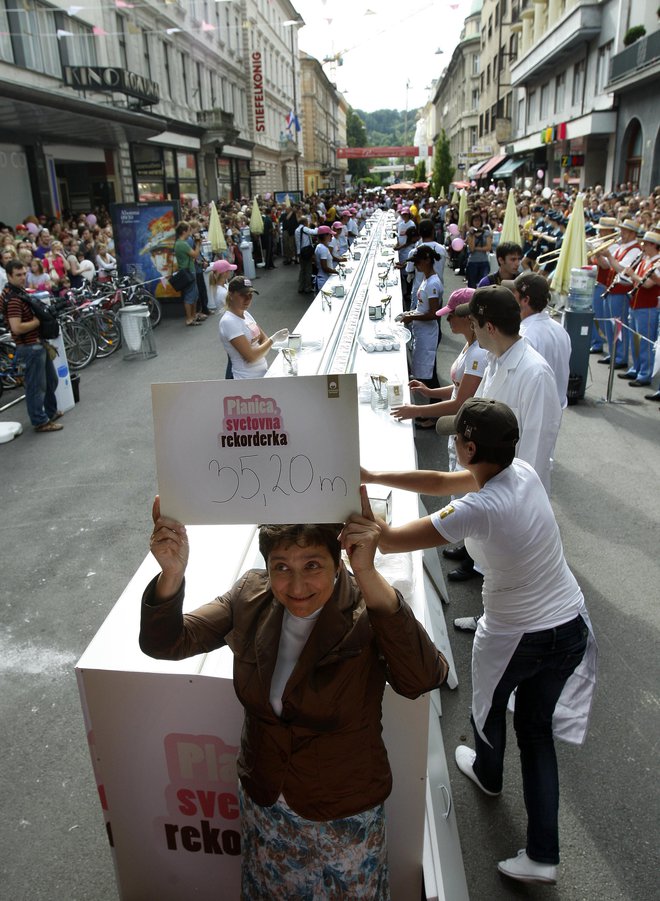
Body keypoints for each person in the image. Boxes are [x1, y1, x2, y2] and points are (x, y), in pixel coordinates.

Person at [140, 491, 448, 898]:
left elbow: (422, 679)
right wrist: (171, 575)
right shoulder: (250, 596)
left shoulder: (365, 607)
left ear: (338, 562)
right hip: (266, 803)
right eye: (281, 566)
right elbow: (168, 642)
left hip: (344, 813)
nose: (297, 584)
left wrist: (369, 574)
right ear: (266, 566)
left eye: (313, 565)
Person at [361, 397, 596, 888]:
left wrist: (355, 496)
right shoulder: (520, 472)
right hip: (569, 625)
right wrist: (375, 475)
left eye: (455, 438)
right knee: (535, 733)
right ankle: (543, 855)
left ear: (469, 447)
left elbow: (385, 540)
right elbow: (442, 482)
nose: (451, 444)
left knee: (486, 709)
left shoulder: (483, 507)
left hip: (520, 635)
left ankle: (489, 774)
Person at [445, 286, 562, 590]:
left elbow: (536, 447)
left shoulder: (534, 373)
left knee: (513, 572)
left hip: (514, 493)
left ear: (490, 328)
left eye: (474, 325)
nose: (472, 332)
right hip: (490, 483)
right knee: (495, 566)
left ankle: (498, 623)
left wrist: (512, 501)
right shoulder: (495, 361)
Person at [391, 287, 486, 435]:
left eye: (451, 314)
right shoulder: (470, 345)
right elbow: (458, 389)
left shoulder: (478, 354)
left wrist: (417, 411)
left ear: (467, 317)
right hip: (458, 426)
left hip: (465, 429)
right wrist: (429, 392)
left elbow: (460, 403)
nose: (447, 319)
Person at [1, 259, 62, 432]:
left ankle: (50, 413)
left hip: (37, 344)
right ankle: (40, 422)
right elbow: (16, 328)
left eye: (23, 274)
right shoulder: (12, 299)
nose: (22, 278)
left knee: (51, 381)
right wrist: (37, 321)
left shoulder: (14, 292)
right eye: (18, 275)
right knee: (36, 387)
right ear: (9, 276)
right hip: (29, 348)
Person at [508, 272, 571, 408]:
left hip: (531, 412)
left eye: (515, 294)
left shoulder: (523, 335)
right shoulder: (560, 330)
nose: (512, 297)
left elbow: (516, 383)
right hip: (553, 410)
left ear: (525, 300)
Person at [218, 275, 288, 379]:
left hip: (259, 374)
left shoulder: (246, 314)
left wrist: (263, 347)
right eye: (243, 295)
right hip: (245, 379)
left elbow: (263, 338)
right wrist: (273, 340)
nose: (248, 299)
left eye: (250, 295)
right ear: (231, 295)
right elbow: (251, 357)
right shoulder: (229, 321)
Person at [618, 228, 660, 387]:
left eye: (647, 244)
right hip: (635, 305)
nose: (644, 247)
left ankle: (644, 374)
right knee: (636, 340)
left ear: (655, 246)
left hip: (647, 307)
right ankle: (636, 368)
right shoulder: (645, 260)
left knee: (645, 342)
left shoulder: (657, 262)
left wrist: (632, 274)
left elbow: (648, 284)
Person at [398, 245, 441, 391]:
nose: (415, 265)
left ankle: (434, 407)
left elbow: (434, 313)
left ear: (427, 260)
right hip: (421, 331)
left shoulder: (433, 283)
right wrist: (409, 314)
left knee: (428, 375)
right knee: (423, 372)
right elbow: (422, 307)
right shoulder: (426, 279)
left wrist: (412, 317)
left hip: (428, 333)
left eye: (417, 262)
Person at [173, 221, 201, 326]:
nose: (190, 232)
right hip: (188, 271)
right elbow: (195, 254)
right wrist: (198, 244)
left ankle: (192, 317)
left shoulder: (178, 243)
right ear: (184, 231)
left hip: (187, 270)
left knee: (193, 294)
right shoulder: (182, 244)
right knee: (190, 296)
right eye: (189, 230)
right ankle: (189, 318)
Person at [465, 212, 492, 288]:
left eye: (479, 220)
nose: (477, 222)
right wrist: (472, 234)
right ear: (472, 222)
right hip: (472, 262)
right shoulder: (469, 234)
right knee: (472, 285)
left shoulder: (486, 233)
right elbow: (472, 248)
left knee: (483, 285)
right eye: (475, 220)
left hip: (484, 261)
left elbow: (488, 247)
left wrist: (477, 248)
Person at [295, 216, 318, 295]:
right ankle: (307, 288)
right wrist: (319, 228)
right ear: (305, 222)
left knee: (302, 270)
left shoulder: (297, 229)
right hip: (306, 251)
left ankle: (301, 287)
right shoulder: (304, 229)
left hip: (300, 252)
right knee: (308, 269)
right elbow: (314, 232)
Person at [314, 226, 338, 291]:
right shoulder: (323, 249)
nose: (332, 236)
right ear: (325, 236)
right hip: (324, 280)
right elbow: (324, 267)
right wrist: (337, 272)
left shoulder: (321, 246)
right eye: (330, 235)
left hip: (325, 278)